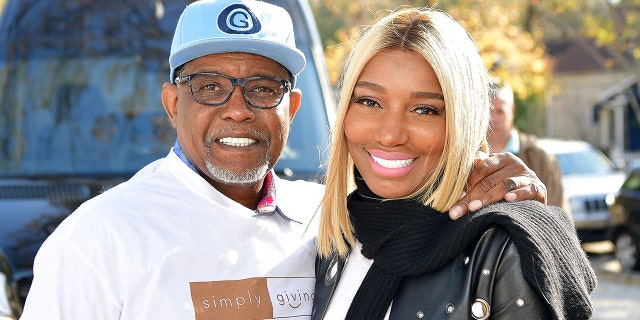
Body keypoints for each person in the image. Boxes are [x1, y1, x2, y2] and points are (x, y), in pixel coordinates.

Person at [21, 1, 548, 319]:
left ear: (292, 108)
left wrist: (513, 197)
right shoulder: (96, 240)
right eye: (208, 87)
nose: (236, 111)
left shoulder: (334, 221)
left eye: (262, 88)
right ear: (171, 103)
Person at [312, 7, 596, 320]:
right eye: (369, 102)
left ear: (465, 122)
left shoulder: (502, 253)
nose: (390, 135)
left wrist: (535, 222)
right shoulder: (333, 237)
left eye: (425, 110)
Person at [488, 82, 569, 213]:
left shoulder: (541, 159)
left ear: (512, 110)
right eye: (488, 111)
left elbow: (560, 216)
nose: (493, 118)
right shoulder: (466, 159)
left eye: (500, 111)